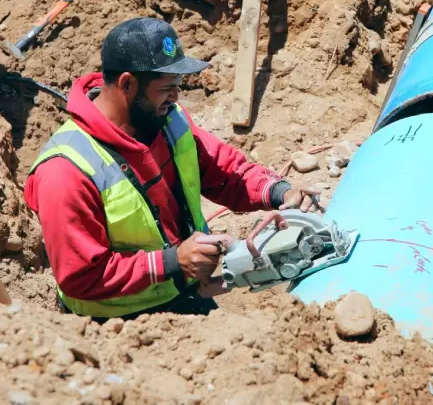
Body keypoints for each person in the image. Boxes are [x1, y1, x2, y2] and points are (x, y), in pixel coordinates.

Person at [24, 17, 322, 319]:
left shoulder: (167, 120)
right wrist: (170, 262)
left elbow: (224, 171)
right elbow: (80, 278)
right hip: (116, 327)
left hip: (184, 290)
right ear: (127, 84)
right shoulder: (66, 171)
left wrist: (279, 191)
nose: (176, 97)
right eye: (167, 88)